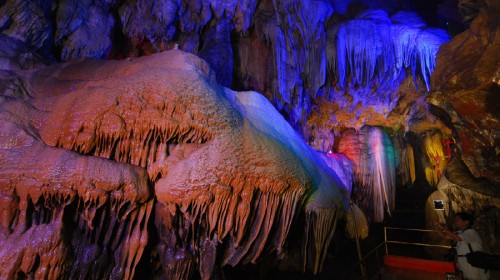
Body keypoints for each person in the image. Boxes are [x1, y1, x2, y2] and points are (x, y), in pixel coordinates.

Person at [433, 212, 489, 280]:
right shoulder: (461, 232)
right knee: (465, 277)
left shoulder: (471, 232)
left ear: (466, 222)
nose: (455, 221)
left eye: (457, 219)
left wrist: (442, 228)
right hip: (463, 261)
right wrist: (438, 229)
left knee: (473, 277)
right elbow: (445, 236)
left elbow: (457, 238)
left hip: (472, 262)